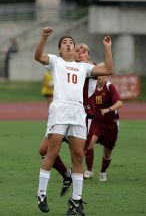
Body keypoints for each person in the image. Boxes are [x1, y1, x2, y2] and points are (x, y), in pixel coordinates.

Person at [34, 26, 113, 215]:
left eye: (71, 43)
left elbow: (109, 69)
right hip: (60, 109)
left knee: (78, 156)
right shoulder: (55, 61)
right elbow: (38, 56)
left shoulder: (83, 67)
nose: (69, 45)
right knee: (50, 152)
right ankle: (41, 193)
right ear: (60, 49)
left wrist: (107, 47)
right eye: (65, 43)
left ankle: (76, 200)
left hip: (78, 112)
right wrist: (44, 37)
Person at [83, 75, 123, 182]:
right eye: (98, 75)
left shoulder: (110, 87)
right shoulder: (92, 87)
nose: (99, 77)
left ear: (106, 77)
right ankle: (89, 171)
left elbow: (119, 103)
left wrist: (108, 109)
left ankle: (103, 172)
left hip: (110, 124)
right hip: (97, 122)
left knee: (107, 152)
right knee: (89, 143)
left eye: (102, 75)